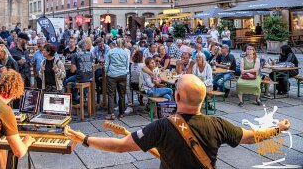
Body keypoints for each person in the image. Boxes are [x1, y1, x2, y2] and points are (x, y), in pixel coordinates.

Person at [64, 74, 291, 169]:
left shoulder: (162, 126)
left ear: (177, 97)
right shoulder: (218, 124)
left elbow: (122, 146)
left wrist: (85, 138)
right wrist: (277, 129)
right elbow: (251, 138)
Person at [104, 38, 129, 120]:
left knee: (111, 95)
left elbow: (106, 64)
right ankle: (121, 113)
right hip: (122, 74)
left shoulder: (111, 51)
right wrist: (124, 71)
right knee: (122, 94)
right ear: (123, 44)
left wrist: (106, 72)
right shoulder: (126, 52)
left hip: (112, 75)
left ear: (116, 43)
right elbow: (127, 65)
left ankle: (111, 114)